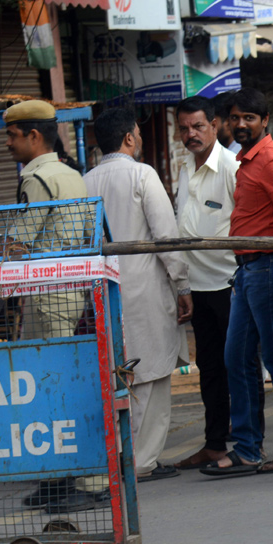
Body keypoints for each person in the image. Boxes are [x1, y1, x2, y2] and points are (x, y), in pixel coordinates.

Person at [200, 88, 273, 477]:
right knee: (238, 357)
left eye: (248, 117)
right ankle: (248, 448)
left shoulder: (269, 160)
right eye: (234, 118)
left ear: (264, 121)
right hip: (249, 269)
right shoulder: (246, 160)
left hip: (269, 268)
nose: (240, 124)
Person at [85, 108, 192, 483]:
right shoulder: (142, 174)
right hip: (145, 292)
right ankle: (141, 461)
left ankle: (119, 455)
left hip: (103, 295)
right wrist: (182, 284)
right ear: (129, 137)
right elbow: (167, 236)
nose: (142, 140)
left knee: (121, 376)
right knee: (151, 379)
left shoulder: (85, 181)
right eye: (139, 134)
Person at [1, 100, 98, 513]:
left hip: (45, 294)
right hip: (69, 289)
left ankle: (75, 481)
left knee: (50, 390)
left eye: (11, 135)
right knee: (57, 387)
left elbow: (20, 240)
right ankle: (56, 480)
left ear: (33, 136)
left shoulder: (37, 178)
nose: (7, 144)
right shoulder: (71, 174)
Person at [170, 97, 266, 469]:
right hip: (197, 287)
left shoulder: (231, 166)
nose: (190, 134)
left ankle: (250, 444)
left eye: (198, 127)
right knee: (209, 368)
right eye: (183, 128)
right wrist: (182, 286)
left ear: (215, 126)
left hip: (230, 283)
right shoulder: (183, 168)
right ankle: (214, 443)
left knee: (241, 366)